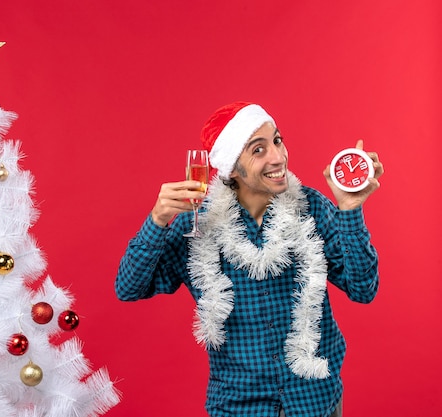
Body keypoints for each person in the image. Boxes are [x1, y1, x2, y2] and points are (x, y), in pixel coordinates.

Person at [115, 102, 383, 417]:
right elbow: (128, 287)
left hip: (315, 402)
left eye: (278, 141)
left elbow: (363, 289)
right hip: (239, 407)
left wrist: (350, 210)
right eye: (258, 150)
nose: (278, 157)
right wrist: (158, 219)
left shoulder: (312, 208)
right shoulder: (197, 225)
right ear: (231, 167)